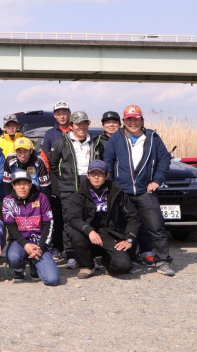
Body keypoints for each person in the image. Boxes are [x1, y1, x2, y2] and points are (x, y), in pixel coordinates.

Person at [103, 105, 175, 277]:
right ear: (124, 121)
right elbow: (108, 162)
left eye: (135, 119)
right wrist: (112, 187)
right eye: (129, 119)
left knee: (156, 226)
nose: (132, 122)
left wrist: (157, 180)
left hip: (145, 192)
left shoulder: (152, 137)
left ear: (141, 120)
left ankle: (163, 261)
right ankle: (131, 259)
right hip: (123, 192)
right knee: (124, 228)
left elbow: (164, 159)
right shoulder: (116, 138)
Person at [67, 160, 140, 278]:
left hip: (110, 234)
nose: (96, 177)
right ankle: (87, 266)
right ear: (88, 175)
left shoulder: (117, 193)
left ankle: (107, 261)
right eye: (93, 174)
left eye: (100, 174)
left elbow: (133, 217)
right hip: (89, 235)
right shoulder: (79, 194)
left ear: (106, 176)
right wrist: (89, 231)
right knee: (75, 233)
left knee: (123, 266)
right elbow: (73, 218)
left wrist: (129, 239)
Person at [48, 110, 95, 269]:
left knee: (90, 219)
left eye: (84, 123)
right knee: (69, 221)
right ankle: (71, 254)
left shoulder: (94, 143)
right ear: (71, 126)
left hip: (90, 186)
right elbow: (53, 165)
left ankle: (90, 254)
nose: (81, 127)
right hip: (68, 187)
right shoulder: (61, 143)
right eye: (77, 124)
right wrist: (64, 181)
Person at [1, 170, 58, 286]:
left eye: (25, 183)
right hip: (19, 241)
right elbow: (11, 228)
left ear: (31, 184)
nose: (22, 187)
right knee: (13, 257)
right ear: (13, 185)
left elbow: (49, 224)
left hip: (39, 241)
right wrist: (26, 245)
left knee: (52, 280)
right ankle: (18, 270)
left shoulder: (42, 198)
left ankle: (34, 266)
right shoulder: (7, 201)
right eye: (18, 184)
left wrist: (41, 247)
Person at [41, 101, 71, 169]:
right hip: (55, 173)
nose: (62, 117)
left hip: (73, 173)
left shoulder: (75, 131)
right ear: (54, 115)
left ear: (69, 113)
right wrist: (46, 173)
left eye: (64, 113)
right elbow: (45, 156)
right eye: (58, 114)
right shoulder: (49, 133)